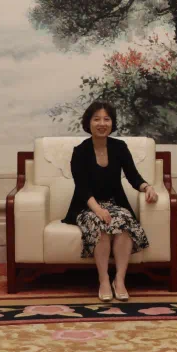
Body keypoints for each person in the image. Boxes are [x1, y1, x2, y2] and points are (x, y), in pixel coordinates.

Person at [64, 100, 158, 302]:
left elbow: (133, 176)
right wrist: (98, 210)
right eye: (96, 119)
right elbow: (82, 187)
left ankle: (120, 280)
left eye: (106, 119)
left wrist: (147, 187)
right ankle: (104, 280)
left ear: (112, 123)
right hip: (87, 206)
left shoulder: (119, 147)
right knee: (102, 224)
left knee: (123, 222)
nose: (102, 123)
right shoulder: (80, 151)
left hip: (115, 204)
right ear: (88, 123)